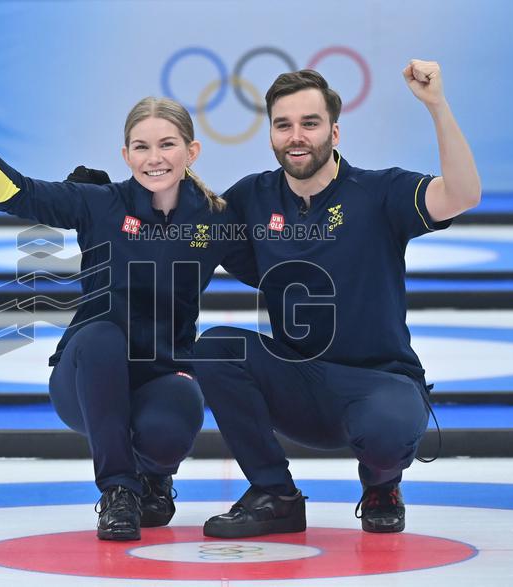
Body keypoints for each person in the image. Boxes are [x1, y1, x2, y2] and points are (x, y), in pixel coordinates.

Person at [0, 77, 257, 541]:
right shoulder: (100, 204)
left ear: (192, 151)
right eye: (141, 146)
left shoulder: (213, 218)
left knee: (178, 411)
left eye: (168, 144)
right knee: (103, 334)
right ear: (125, 155)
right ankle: (118, 492)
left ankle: (153, 474)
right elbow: (13, 193)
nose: (155, 157)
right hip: (86, 375)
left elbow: (273, 269)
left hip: (163, 374)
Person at [194, 61, 481, 537]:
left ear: (335, 131)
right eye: (283, 125)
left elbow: (463, 194)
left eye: (310, 123)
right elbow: (187, 237)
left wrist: (437, 105)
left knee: (387, 429)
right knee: (215, 348)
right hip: (299, 380)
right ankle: (275, 495)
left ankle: (382, 484)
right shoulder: (253, 196)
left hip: (378, 383)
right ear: (270, 134)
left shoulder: (378, 192)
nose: (296, 136)